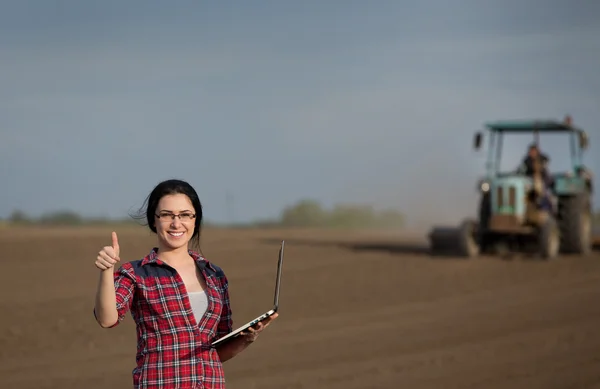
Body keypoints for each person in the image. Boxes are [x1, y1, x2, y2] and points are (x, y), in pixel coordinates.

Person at [93, 179, 278, 389]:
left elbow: (216, 351)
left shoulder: (215, 275)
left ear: (195, 220)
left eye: (184, 215)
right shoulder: (135, 273)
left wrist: (248, 338)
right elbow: (107, 319)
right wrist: (106, 270)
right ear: (154, 220)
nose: (176, 223)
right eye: (166, 215)